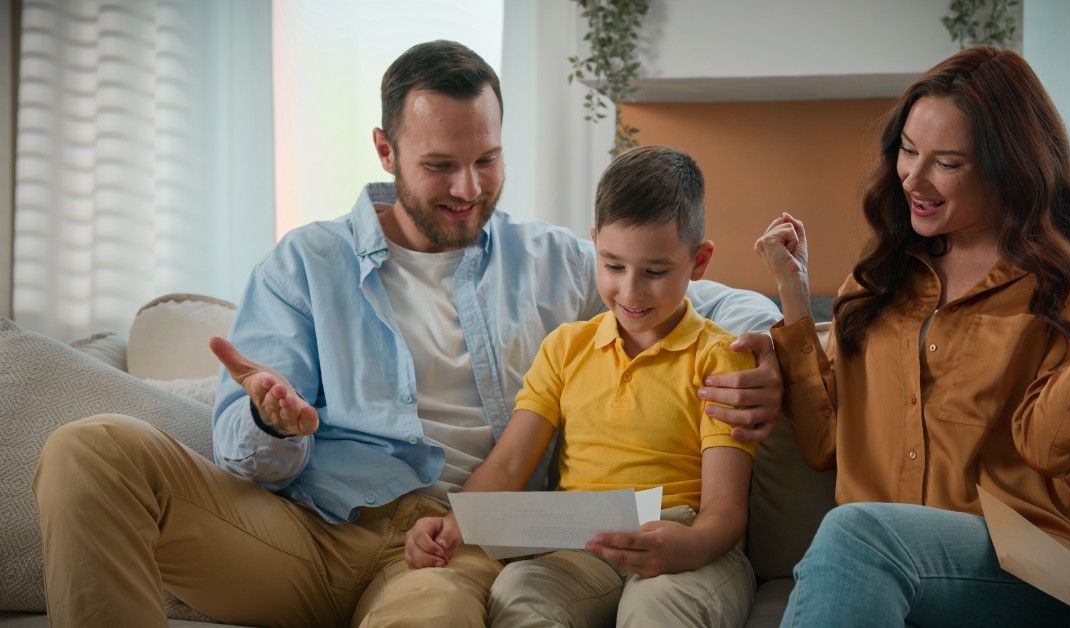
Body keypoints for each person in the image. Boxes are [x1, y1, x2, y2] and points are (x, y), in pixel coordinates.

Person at [32, 41, 783, 627]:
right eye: (440, 165)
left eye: (487, 161)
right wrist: (271, 422)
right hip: (304, 535)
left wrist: (766, 355)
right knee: (90, 449)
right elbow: (249, 452)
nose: (467, 189)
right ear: (385, 152)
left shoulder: (553, 261)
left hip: (452, 544)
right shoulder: (307, 264)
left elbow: (689, 291)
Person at [756, 46, 1070, 627]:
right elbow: (824, 446)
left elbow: (1051, 445)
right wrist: (793, 296)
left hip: (1044, 576)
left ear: (1008, 167)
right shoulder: (877, 283)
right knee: (860, 531)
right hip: (899, 576)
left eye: (948, 162)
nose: (914, 177)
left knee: (857, 529)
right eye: (908, 151)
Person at [405, 145, 758, 627]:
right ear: (594, 244)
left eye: (655, 272)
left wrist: (688, 545)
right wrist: (451, 526)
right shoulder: (566, 348)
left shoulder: (721, 357)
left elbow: (726, 510)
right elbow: (509, 462)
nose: (630, 292)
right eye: (613, 266)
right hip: (584, 545)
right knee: (519, 590)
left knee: (654, 607)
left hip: (690, 542)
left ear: (699, 261)